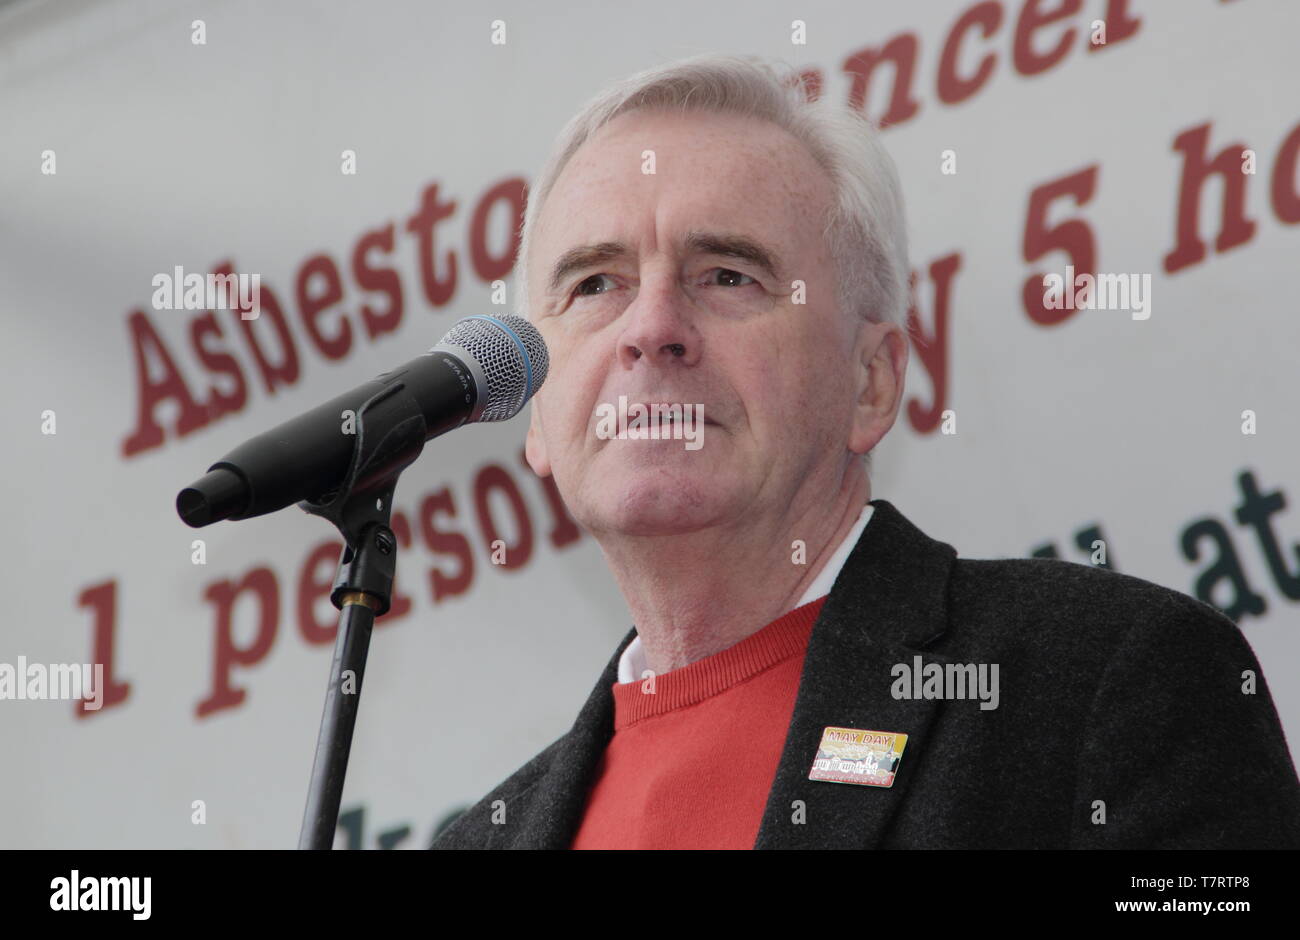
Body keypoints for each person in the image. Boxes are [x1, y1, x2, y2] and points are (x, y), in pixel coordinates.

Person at [431, 53, 1300, 849]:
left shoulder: (1112, 682)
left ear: (872, 381)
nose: (652, 329)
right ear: (537, 419)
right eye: (595, 285)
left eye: (728, 275)